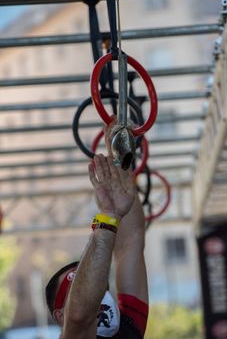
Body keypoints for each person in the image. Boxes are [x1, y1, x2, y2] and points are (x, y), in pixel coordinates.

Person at [45, 127, 149, 339]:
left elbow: (131, 242)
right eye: (76, 286)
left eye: (99, 284)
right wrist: (108, 216)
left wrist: (119, 160)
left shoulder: (127, 326)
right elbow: (79, 315)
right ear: (59, 316)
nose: (99, 293)